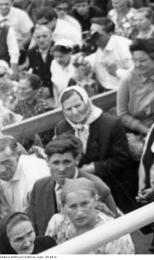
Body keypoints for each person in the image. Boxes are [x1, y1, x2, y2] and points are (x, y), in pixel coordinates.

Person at [54, 86, 133, 214]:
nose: (74, 112)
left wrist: (94, 168)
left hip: (113, 186)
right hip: (80, 192)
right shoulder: (62, 128)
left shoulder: (111, 124)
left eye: (78, 105)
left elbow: (121, 159)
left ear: (86, 102)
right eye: (68, 109)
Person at [26, 134, 118, 236]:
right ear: (47, 161)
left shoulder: (98, 188)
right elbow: (31, 228)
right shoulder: (39, 187)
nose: (61, 169)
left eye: (66, 162)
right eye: (56, 163)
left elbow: (115, 228)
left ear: (77, 159)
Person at [45, 177, 134, 253]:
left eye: (85, 204)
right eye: (72, 206)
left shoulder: (115, 234)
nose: (79, 212)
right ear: (64, 207)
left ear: (95, 201)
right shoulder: (57, 223)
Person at [0, 137, 50, 217]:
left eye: (6, 162)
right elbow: (4, 212)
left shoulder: (35, 178)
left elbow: (43, 217)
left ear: (18, 155)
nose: (2, 170)